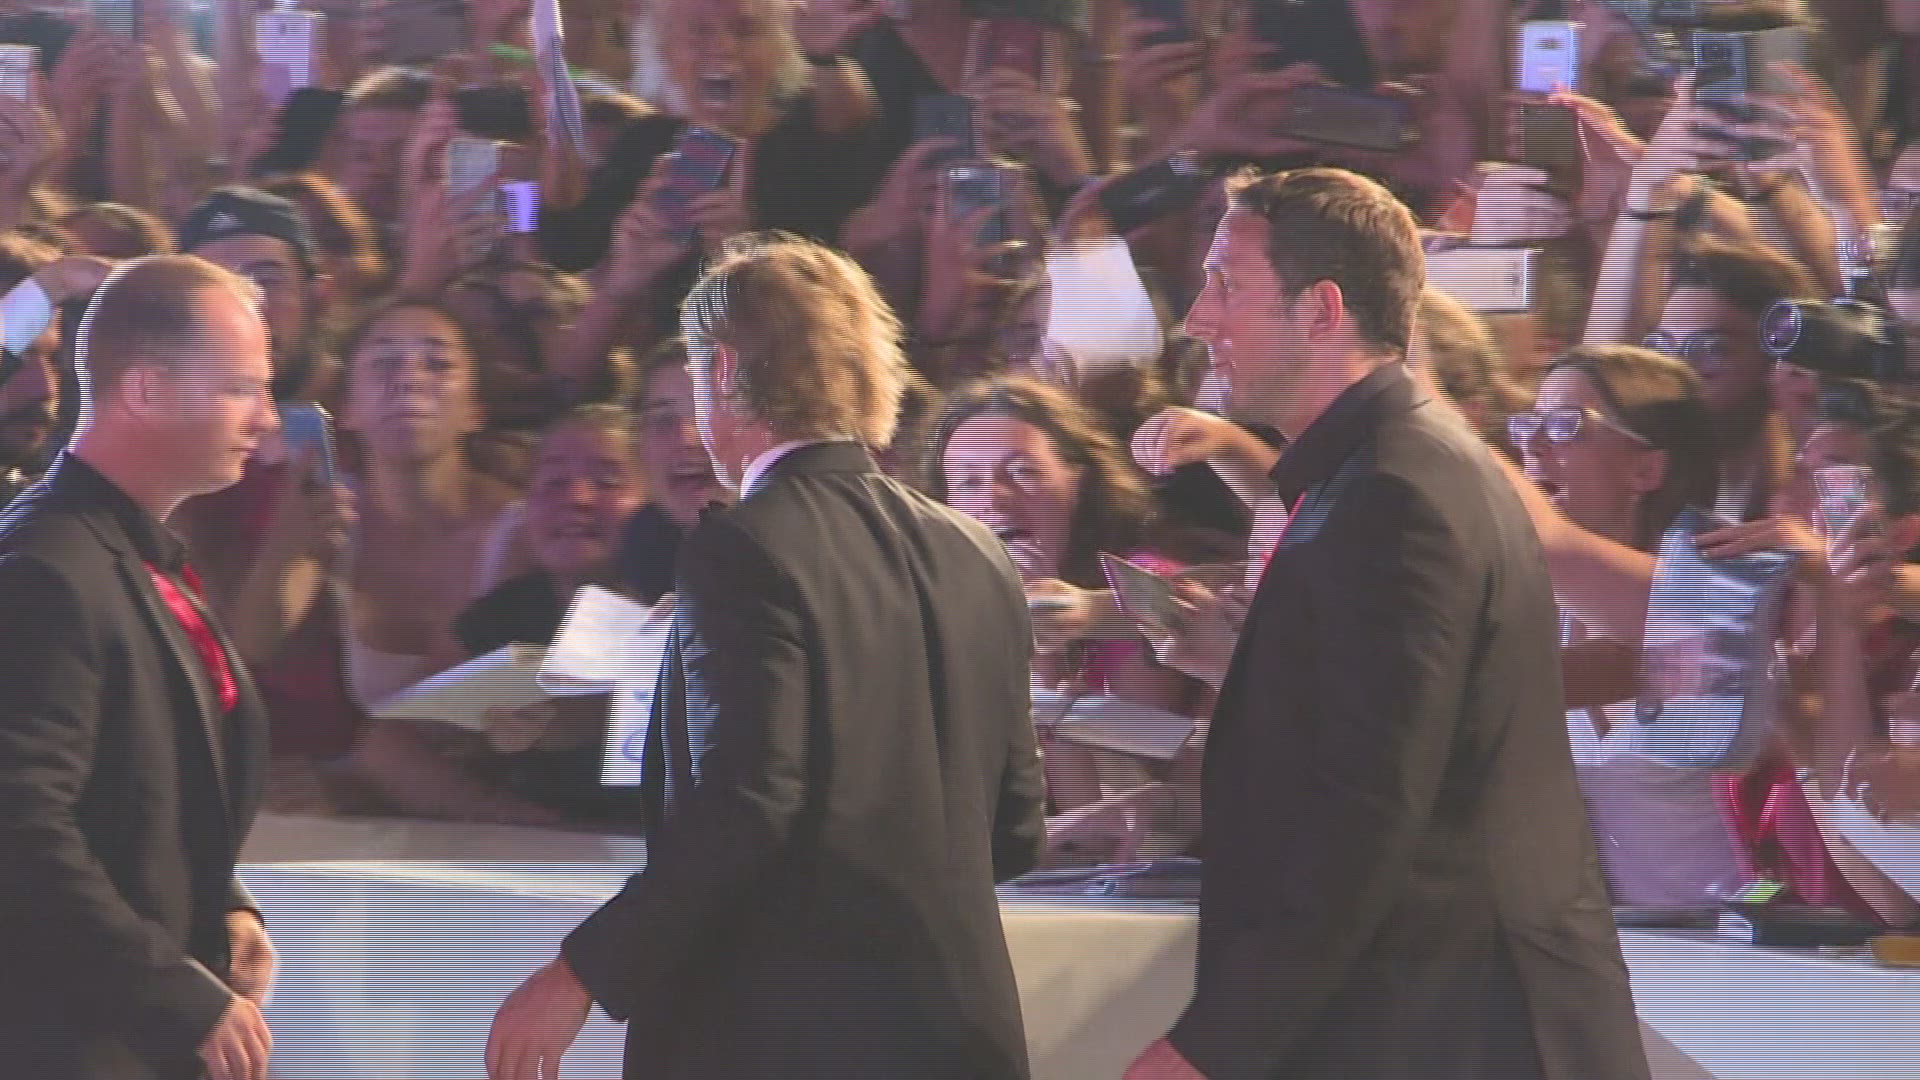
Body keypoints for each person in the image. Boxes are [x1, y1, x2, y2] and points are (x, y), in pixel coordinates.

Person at [1126, 169, 1648, 1080]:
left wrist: (1212, 1047)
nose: (1198, 318)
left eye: (1226, 285)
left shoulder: (1396, 494)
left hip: (1460, 1031)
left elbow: (1364, 805)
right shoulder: (1380, 472)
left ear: (1322, 310)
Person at [486, 233, 1047, 1080]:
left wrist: (580, 974)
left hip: (784, 1039)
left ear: (720, 370)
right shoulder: (977, 550)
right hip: (961, 1037)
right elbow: (1015, 830)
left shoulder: (743, 548)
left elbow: (746, 804)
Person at [0, 255, 278, 1080]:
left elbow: (136, 789)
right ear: (147, 390)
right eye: (240, 389)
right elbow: (18, 825)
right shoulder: (46, 568)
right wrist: (170, 992)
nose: (267, 418)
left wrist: (224, 901)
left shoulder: (122, 552)